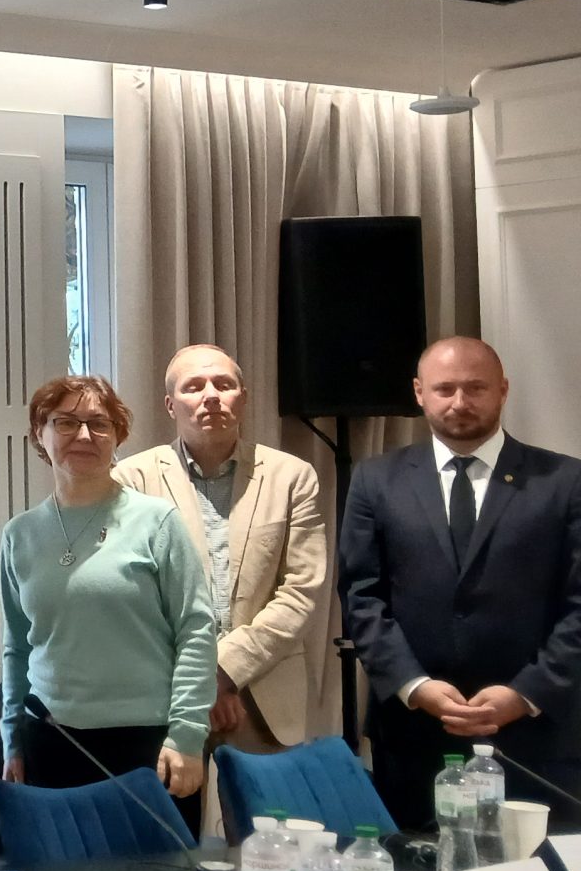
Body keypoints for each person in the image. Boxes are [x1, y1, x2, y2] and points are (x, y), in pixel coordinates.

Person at [341, 337, 581, 826]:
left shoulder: (565, 480)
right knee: (418, 868)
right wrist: (415, 686)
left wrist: (526, 693)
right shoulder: (375, 480)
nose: (459, 402)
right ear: (419, 392)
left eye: (475, 388)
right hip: (414, 733)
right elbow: (361, 597)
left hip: (538, 734)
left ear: (503, 390)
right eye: (444, 389)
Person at [0, 373, 216, 834]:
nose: (84, 435)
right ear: (40, 433)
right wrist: (12, 738)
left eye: (99, 424)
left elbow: (197, 631)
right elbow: (17, 647)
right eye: (66, 422)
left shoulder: (158, 522)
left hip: (149, 747)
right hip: (50, 742)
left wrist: (187, 736)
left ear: (118, 436)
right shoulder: (19, 534)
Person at [116, 346, 332, 790]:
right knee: (166, 830)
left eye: (224, 384)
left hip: (264, 697)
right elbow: (132, 597)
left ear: (243, 397)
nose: (211, 395)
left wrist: (225, 671)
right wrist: (199, 682)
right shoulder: (132, 480)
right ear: (170, 405)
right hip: (165, 698)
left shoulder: (293, 477)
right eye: (194, 387)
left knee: (268, 830)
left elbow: (302, 590)